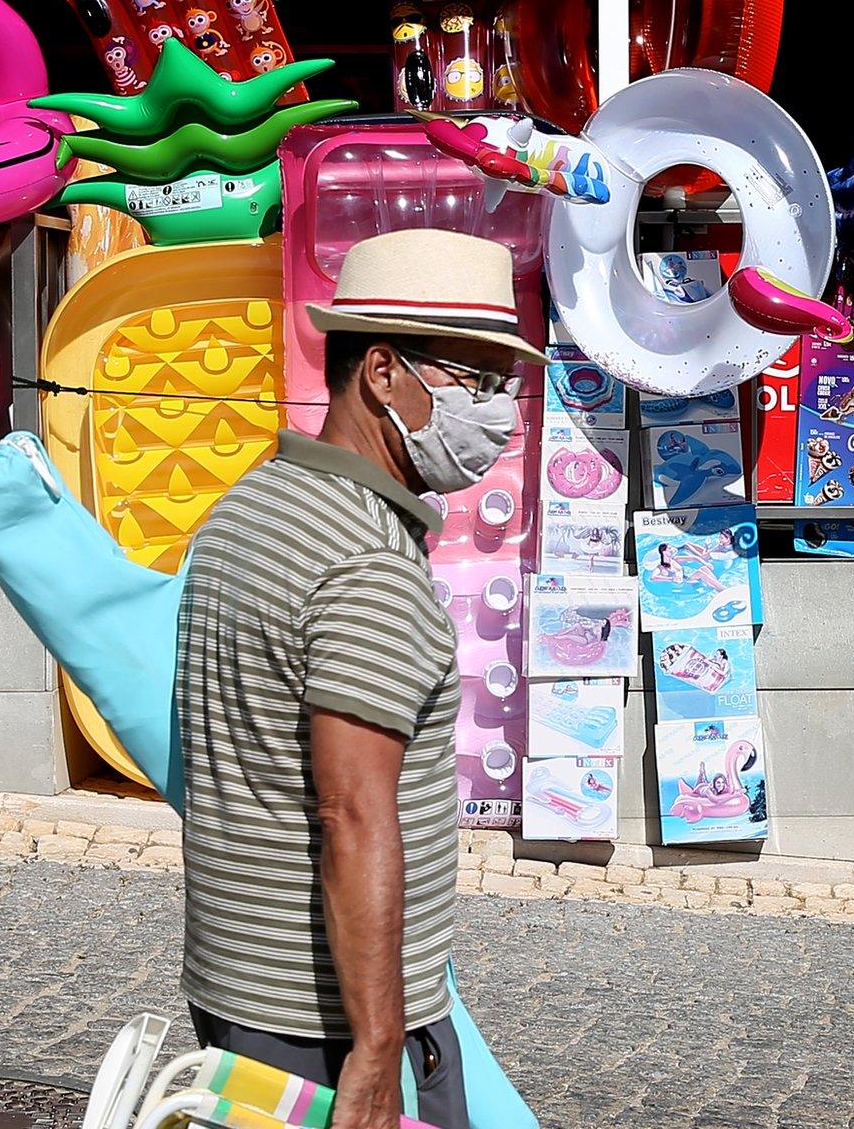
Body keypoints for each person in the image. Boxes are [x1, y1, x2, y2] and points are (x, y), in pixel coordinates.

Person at [175, 229, 542, 1129]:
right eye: (476, 381)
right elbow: (351, 815)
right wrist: (378, 1051)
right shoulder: (369, 565)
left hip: (233, 992)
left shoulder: (249, 507)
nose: (499, 416)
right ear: (382, 371)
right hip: (328, 1031)